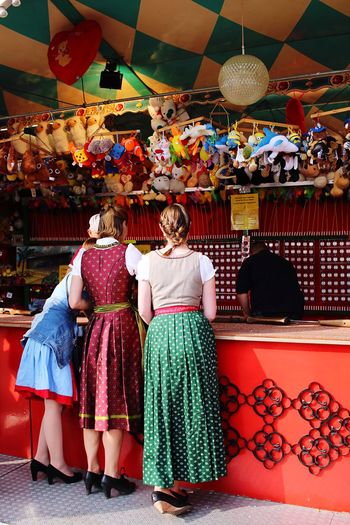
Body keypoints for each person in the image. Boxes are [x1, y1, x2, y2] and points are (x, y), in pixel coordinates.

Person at [137, 203, 227, 516]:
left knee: (162, 408)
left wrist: (164, 323)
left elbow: (144, 311)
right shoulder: (202, 261)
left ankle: (165, 484)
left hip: (160, 333)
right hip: (193, 332)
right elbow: (212, 313)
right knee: (192, 408)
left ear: (161, 228)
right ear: (189, 227)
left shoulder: (147, 262)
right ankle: (175, 484)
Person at [69, 204, 143, 499]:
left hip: (96, 328)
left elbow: (75, 301)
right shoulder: (129, 252)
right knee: (115, 402)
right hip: (122, 328)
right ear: (121, 227)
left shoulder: (83, 256)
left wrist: (94, 307)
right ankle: (111, 476)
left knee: (92, 402)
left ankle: (92, 469)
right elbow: (149, 284)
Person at [15, 271, 90, 485]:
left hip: (44, 339)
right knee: (54, 406)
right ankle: (58, 463)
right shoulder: (80, 274)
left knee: (53, 406)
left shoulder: (71, 277)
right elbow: (78, 304)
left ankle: (40, 457)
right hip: (51, 341)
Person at [236, 240, 304, 319]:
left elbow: (241, 292)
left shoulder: (249, 262)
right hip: (292, 311)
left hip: (265, 312)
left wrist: (248, 314)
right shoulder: (285, 262)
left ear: (251, 252)